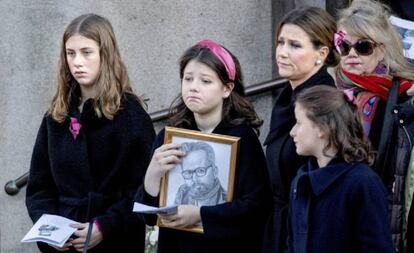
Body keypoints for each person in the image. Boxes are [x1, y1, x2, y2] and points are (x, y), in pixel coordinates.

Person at [25, 14, 155, 253]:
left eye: (87, 52)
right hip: (64, 244)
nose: (77, 62)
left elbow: (143, 191)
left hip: (114, 242)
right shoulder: (57, 114)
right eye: (70, 53)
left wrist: (105, 226)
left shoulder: (130, 115)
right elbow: (39, 187)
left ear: (105, 55)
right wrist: (51, 234)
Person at [135, 39, 272, 252]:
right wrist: (152, 176)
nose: (193, 88)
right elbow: (149, 218)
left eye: (205, 81)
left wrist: (201, 214)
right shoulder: (168, 137)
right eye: (188, 79)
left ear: (226, 88)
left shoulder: (242, 139)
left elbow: (257, 206)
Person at [334, 1, 414, 251]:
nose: (352, 55)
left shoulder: (403, 98)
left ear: (383, 49)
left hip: (381, 219)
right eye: (344, 46)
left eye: (363, 46)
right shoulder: (329, 92)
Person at [262, 6, 340, 253]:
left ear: (322, 53)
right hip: (278, 228)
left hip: (308, 234)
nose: (282, 53)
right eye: (280, 42)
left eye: (295, 45)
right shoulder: (287, 99)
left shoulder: (327, 105)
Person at [286, 85, 393, 253]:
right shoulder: (300, 181)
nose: (292, 132)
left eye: (299, 123)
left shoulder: (363, 183)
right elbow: (292, 245)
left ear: (322, 128)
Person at [174, 141, 226, 206]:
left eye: (201, 170)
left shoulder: (227, 199)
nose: (194, 179)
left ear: (215, 172)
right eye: (188, 172)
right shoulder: (182, 193)